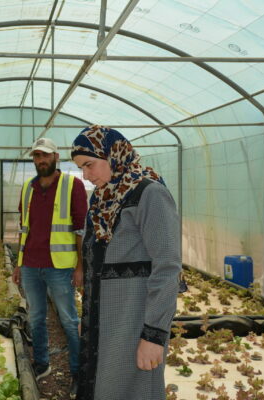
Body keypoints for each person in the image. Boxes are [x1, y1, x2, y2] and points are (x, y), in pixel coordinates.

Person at [71, 125, 181, 400]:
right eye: (81, 168)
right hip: (104, 321)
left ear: (114, 155)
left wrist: (154, 336)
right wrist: (88, 315)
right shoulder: (102, 197)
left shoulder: (149, 194)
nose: (85, 176)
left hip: (133, 322)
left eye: (90, 165)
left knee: (133, 389)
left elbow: (167, 267)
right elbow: (96, 261)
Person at [12, 137, 87, 398]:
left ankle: (79, 374)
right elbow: (24, 228)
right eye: (36, 156)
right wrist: (20, 264)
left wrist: (80, 266)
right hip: (31, 265)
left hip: (60, 266)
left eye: (45, 156)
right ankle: (42, 364)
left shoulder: (72, 185)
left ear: (56, 157)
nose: (40, 160)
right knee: (35, 318)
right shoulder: (28, 188)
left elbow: (81, 228)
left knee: (69, 320)